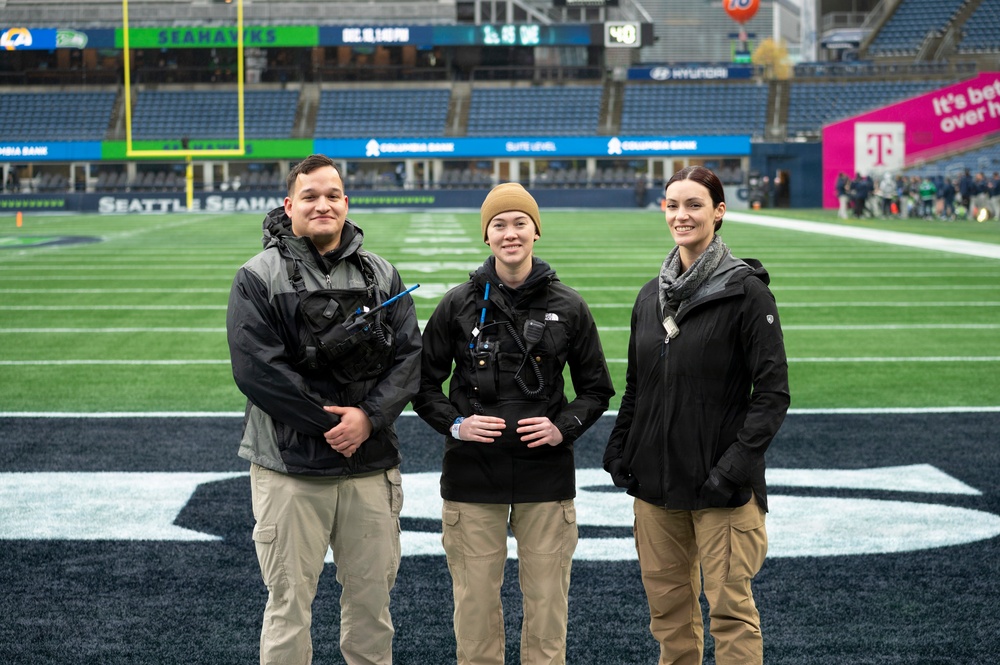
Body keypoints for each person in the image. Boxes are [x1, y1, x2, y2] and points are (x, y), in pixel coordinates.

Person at [226, 154, 421, 665]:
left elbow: (408, 358)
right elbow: (257, 371)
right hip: (291, 468)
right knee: (289, 607)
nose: (322, 204)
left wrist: (369, 419)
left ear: (346, 203)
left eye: (332, 195)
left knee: (372, 607)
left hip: (369, 465)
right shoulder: (257, 275)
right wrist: (334, 424)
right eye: (310, 196)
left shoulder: (382, 272)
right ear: (289, 206)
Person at [413, 182, 614, 665]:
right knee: (475, 608)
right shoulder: (456, 304)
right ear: (486, 236)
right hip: (471, 475)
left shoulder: (570, 305)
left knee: (547, 609)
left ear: (536, 231)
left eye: (519, 222)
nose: (510, 233)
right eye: (499, 224)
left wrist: (562, 427)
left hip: (545, 476)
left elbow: (597, 389)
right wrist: (457, 425)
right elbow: (421, 386)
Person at [603, 166, 790, 665]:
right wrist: (621, 447)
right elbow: (637, 385)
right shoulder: (650, 295)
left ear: (719, 212)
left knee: (730, 614)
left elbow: (772, 395)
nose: (681, 215)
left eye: (694, 205)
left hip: (721, 487)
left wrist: (732, 468)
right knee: (669, 616)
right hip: (657, 486)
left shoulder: (747, 292)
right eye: (673, 205)